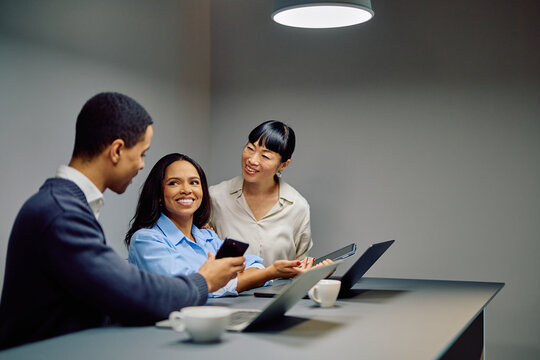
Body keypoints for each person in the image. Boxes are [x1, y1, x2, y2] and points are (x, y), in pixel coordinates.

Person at [0, 93, 244, 350]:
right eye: (142, 154)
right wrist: (204, 281)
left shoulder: (64, 205)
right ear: (116, 150)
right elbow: (130, 291)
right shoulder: (61, 213)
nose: (141, 166)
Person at [126, 153, 321, 296]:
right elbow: (192, 289)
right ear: (159, 195)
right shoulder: (146, 239)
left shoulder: (206, 236)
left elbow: (254, 264)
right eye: (174, 183)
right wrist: (268, 272)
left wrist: (251, 275)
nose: (186, 190)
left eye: (194, 182)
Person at [209, 120, 313, 267]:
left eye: (265, 156)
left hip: (279, 290)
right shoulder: (215, 197)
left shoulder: (297, 206)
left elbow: (300, 264)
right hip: (228, 289)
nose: (252, 160)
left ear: (283, 165)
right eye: (250, 148)